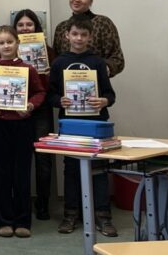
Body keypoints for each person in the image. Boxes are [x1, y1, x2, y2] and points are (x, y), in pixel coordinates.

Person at [47, 16, 118, 236]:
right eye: (75, 34)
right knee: (71, 169)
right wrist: (60, 101)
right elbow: (50, 94)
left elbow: (110, 94)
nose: (79, 38)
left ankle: (103, 216)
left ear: (90, 37)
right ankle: (70, 215)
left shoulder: (97, 62)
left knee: (98, 168)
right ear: (67, 35)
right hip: (70, 123)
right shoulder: (58, 63)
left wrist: (104, 101)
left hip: (95, 123)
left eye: (84, 35)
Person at [0, 25, 45, 238]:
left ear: (17, 43)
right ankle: (4, 220)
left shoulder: (28, 69)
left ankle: (23, 220)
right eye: (2, 43)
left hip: (22, 124)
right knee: (2, 173)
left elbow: (39, 91)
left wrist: (31, 106)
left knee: (22, 172)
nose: (6, 46)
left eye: (10, 42)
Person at [13, 8, 55, 220]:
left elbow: (53, 86)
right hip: (15, 109)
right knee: (18, 158)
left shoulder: (47, 51)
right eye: (20, 25)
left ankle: (43, 204)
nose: (25, 28)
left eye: (29, 24)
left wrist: (46, 75)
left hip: (40, 110)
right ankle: (19, 203)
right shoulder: (10, 51)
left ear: (36, 27)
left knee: (43, 160)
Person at [51, 0, 125, 77]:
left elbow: (118, 59)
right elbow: (56, 58)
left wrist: (105, 68)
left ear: (91, 1)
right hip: (66, 88)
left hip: (96, 86)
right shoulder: (61, 27)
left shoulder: (103, 23)